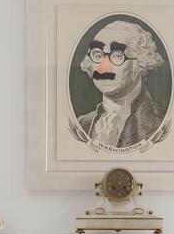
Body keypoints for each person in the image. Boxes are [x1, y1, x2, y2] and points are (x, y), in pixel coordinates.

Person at [71, 18, 168, 150]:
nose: (103, 68)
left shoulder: (161, 124)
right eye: (98, 55)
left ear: (140, 63)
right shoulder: (81, 125)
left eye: (117, 56)